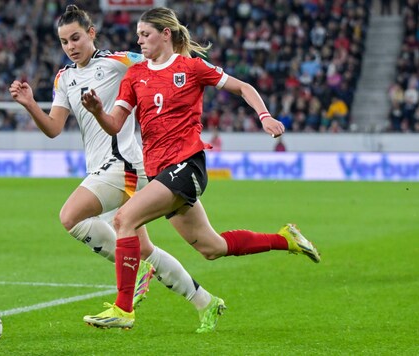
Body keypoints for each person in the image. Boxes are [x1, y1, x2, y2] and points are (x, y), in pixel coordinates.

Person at [81, 7, 320, 330]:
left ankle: (123, 309)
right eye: (138, 35)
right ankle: (285, 239)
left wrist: (265, 116)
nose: (139, 41)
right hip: (160, 172)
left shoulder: (192, 67)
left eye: (145, 34)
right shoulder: (135, 76)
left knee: (125, 219)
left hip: (187, 165)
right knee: (212, 247)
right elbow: (114, 125)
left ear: (166, 34)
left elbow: (243, 88)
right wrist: (97, 111)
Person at [10, 5, 223, 332]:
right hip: (104, 169)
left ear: (91, 33)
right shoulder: (64, 78)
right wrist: (29, 105)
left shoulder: (118, 62)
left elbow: (161, 60)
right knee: (145, 249)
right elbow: (54, 128)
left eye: (76, 37)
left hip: (124, 165)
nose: (71, 46)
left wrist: (186, 70)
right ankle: (206, 302)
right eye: (64, 41)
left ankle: (136, 273)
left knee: (70, 217)